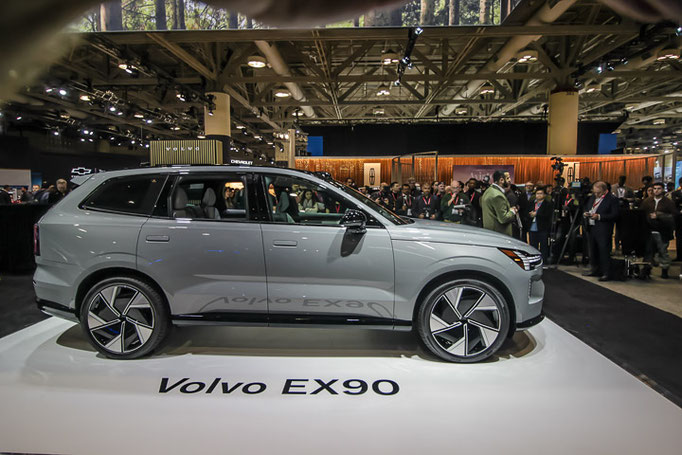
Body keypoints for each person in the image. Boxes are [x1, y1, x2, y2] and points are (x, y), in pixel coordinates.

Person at [582, 181, 619, 281]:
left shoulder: (612, 199)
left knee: (604, 251)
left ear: (605, 190)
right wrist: (586, 213)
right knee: (593, 250)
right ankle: (595, 269)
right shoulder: (592, 197)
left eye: (598, 193)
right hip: (592, 227)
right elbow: (588, 207)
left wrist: (599, 217)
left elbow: (615, 215)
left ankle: (606, 272)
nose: (596, 194)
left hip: (603, 228)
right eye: (595, 192)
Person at [640, 182, 677, 279]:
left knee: (663, 251)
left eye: (659, 188)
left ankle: (664, 270)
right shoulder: (647, 201)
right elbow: (641, 214)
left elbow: (674, 217)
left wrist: (659, 215)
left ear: (662, 190)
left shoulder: (668, 202)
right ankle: (646, 269)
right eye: (655, 188)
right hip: (649, 229)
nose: (656, 190)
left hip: (663, 231)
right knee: (648, 251)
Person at [481, 170, 518, 236]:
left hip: (491, 232)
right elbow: (503, 219)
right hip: (500, 234)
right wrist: (512, 211)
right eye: (508, 178)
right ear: (501, 180)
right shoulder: (498, 195)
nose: (510, 180)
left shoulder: (489, 190)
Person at [528, 187, 552, 262]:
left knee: (543, 246)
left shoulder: (547, 204)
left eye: (540, 193)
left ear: (544, 195)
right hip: (532, 227)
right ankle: (534, 261)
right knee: (533, 246)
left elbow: (547, 215)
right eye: (537, 193)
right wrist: (530, 214)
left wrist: (537, 214)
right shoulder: (532, 203)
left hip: (542, 227)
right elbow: (526, 212)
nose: (538, 195)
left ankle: (543, 261)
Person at [671, 177, 682, 262]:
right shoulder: (675, 193)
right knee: (679, 237)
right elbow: (675, 203)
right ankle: (679, 256)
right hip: (679, 218)